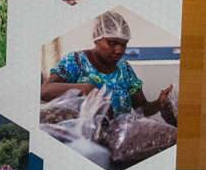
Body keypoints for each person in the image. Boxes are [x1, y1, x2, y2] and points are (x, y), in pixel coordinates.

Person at [42, 10, 173, 116]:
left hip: (119, 137)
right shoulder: (75, 61)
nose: (119, 50)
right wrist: (87, 89)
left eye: (123, 44)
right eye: (112, 43)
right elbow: (45, 91)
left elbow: (142, 109)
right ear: (97, 38)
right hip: (83, 139)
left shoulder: (124, 69)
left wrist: (158, 103)